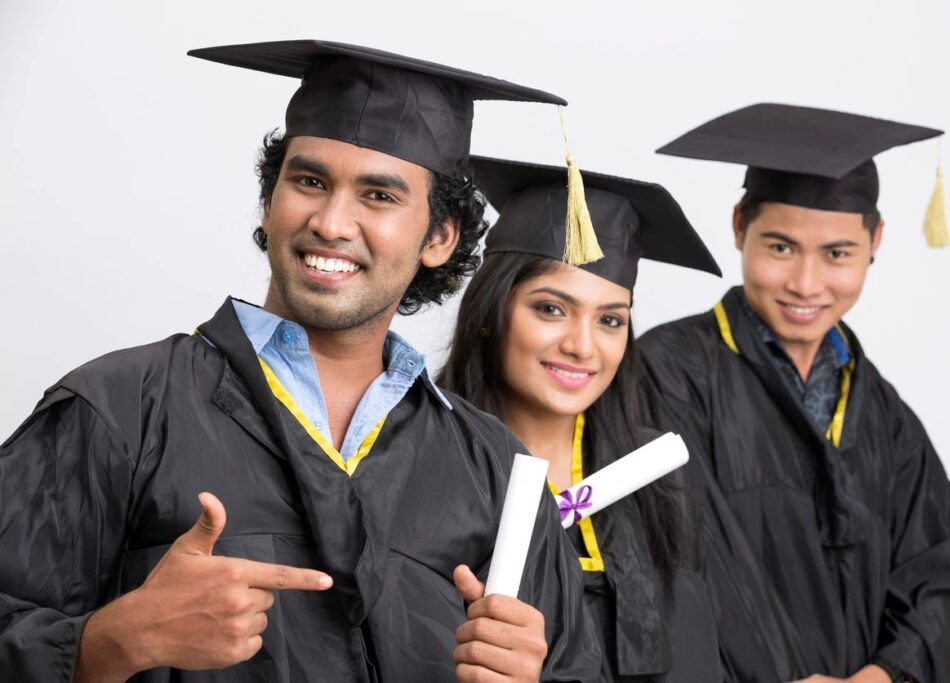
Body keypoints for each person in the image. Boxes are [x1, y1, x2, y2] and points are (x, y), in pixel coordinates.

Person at [0, 40, 602, 682]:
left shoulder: (498, 474)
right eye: (310, 181)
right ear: (270, 200)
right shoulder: (121, 409)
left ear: (439, 237)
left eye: (378, 196)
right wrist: (108, 643)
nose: (332, 222)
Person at [640, 103, 950, 683]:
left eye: (837, 254)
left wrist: (884, 676)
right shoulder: (667, 373)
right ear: (739, 225)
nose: (806, 283)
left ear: (876, 241)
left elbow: (938, 569)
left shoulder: (885, 414)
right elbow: (676, 571)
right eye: (781, 247)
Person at [438, 156, 723, 682]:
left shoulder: (661, 482)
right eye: (551, 309)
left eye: (610, 319)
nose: (582, 346)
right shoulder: (426, 467)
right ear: (491, 313)